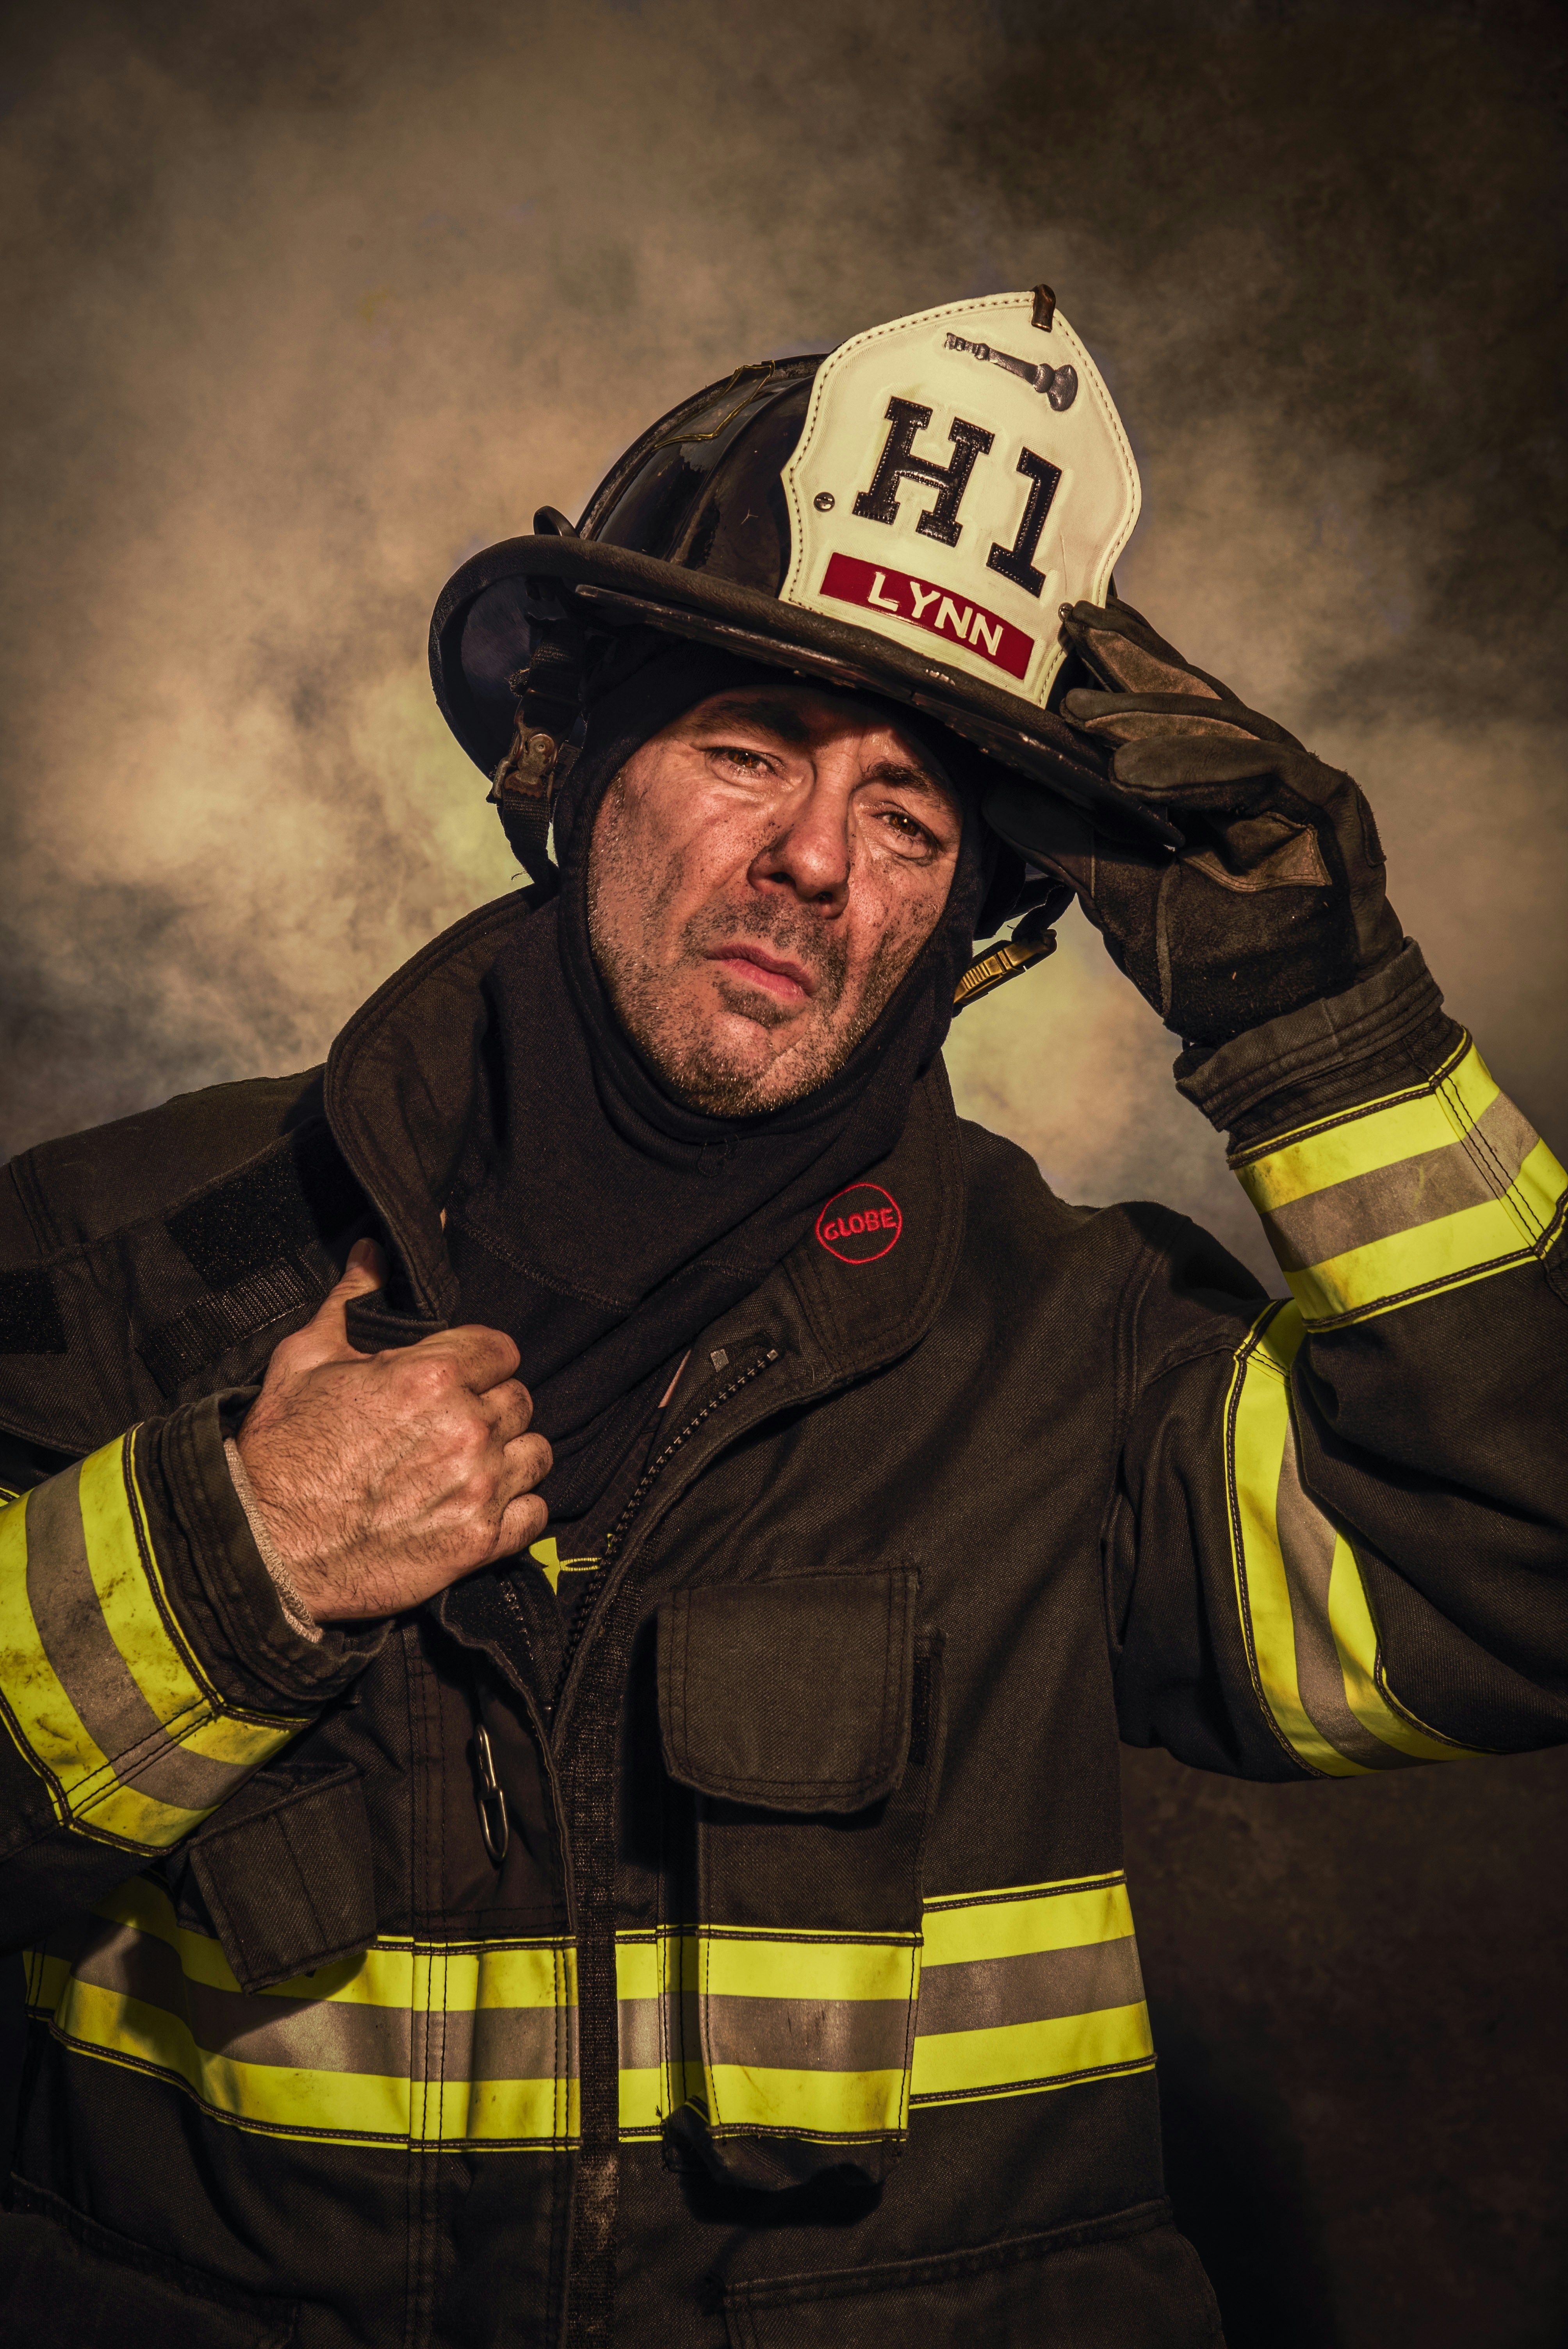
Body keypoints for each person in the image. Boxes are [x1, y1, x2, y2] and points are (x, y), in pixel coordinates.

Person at [1, 291, 1563, 2349]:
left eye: (912, 818)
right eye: (747, 750)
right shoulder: (126, 1257)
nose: (817, 858)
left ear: (972, 925)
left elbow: (1520, 1575)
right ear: (577, 765)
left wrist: (1324, 1026)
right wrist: (231, 1564)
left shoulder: (1071, 1356)